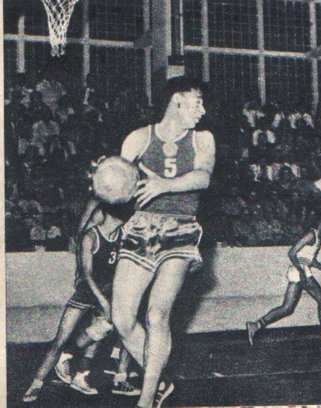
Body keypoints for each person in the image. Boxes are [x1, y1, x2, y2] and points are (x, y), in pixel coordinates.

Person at [112, 76, 215, 408]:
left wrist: (164, 185)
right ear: (176, 101)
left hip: (181, 229)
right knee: (121, 319)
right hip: (141, 228)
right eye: (197, 103)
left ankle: (146, 401)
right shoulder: (138, 138)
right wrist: (106, 182)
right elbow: (120, 185)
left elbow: (203, 177)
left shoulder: (203, 139)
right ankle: (159, 380)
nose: (202, 110)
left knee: (157, 314)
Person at [22, 204, 133, 402]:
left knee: (100, 332)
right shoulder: (90, 237)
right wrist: (102, 300)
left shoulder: (121, 235)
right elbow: (87, 274)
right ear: (110, 215)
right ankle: (36, 383)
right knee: (60, 340)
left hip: (106, 293)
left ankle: (80, 376)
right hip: (87, 293)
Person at [246, 218, 321, 348]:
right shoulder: (311, 234)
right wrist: (301, 271)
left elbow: (309, 259)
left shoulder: (318, 239)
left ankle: (256, 325)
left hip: (299, 271)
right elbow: (292, 252)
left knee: (287, 308)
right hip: (300, 271)